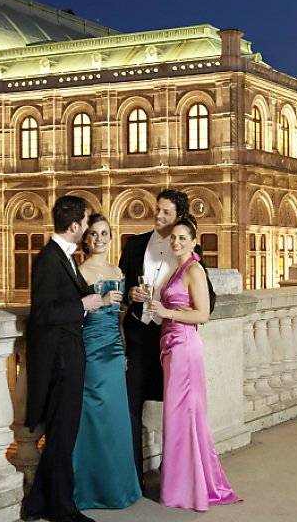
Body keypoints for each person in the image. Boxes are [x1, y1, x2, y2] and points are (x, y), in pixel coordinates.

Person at [120, 189, 216, 486]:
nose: (159, 216)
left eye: (166, 213)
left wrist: (172, 311)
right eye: (157, 210)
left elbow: (207, 303)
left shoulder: (187, 253)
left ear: (180, 219)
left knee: (176, 409)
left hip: (171, 340)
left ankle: (174, 473)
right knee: (130, 404)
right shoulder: (135, 245)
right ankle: (133, 476)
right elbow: (120, 284)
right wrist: (130, 294)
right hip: (138, 335)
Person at [147, 216, 240, 511]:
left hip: (184, 348)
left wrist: (166, 311)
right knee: (179, 417)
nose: (176, 242)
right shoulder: (179, 267)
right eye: (173, 238)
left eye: (182, 238)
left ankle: (187, 488)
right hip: (172, 346)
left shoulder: (195, 270)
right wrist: (156, 306)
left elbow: (202, 315)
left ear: (194, 240)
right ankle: (184, 482)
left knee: (183, 415)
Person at [21, 196, 102, 522]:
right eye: (85, 222)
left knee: (61, 434)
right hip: (59, 361)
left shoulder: (63, 257)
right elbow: (43, 314)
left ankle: (39, 502)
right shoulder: (48, 259)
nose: (87, 227)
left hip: (68, 356)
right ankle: (63, 509)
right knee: (62, 436)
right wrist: (86, 305)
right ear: (74, 226)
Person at [71, 214, 142, 510]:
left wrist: (133, 297)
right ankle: (89, 489)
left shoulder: (118, 271)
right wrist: (97, 303)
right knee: (93, 416)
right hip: (91, 349)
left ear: (112, 237)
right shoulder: (80, 272)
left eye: (105, 233)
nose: (100, 239)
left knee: (115, 419)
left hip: (114, 349)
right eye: (94, 234)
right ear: (86, 239)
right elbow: (74, 313)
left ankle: (118, 487)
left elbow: (122, 316)